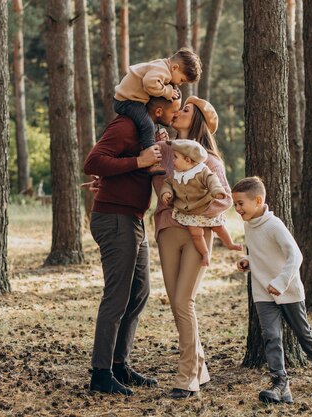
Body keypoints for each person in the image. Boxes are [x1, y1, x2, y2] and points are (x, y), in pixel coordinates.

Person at [83, 93, 182, 396]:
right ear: (160, 109)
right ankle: (101, 374)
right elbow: (93, 161)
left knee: (139, 293)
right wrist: (139, 160)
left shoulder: (147, 132)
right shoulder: (125, 126)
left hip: (133, 218)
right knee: (117, 296)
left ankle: (118, 364)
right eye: (174, 110)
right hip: (114, 218)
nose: (176, 116)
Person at [151, 95, 234, 399]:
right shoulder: (166, 150)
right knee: (176, 303)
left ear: (197, 119)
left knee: (185, 301)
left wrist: (194, 214)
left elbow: (223, 199)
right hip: (165, 231)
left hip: (196, 234)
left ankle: (187, 377)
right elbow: (154, 182)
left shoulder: (209, 161)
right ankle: (200, 366)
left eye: (185, 110)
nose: (178, 112)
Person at [232, 176, 312, 404]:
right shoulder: (249, 225)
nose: (237, 209)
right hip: (262, 291)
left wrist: (280, 282)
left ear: (258, 200)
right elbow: (261, 253)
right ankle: (280, 384)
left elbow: (295, 255)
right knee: (271, 337)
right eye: (235, 204)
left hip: (287, 290)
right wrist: (247, 259)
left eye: (240, 204)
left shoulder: (274, 225)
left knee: (303, 333)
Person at [114, 48, 202, 176]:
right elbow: (149, 83)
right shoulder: (162, 70)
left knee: (151, 122)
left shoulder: (162, 66)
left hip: (132, 100)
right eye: (182, 80)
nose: (180, 84)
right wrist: (167, 91)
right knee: (148, 124)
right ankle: (150, 162)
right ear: (175, 68)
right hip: (126, 101)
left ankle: (150, 148)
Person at [160, 139, 242, 266]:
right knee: (196, 233)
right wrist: (166, 193)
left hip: (204, 207)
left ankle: (229, 244)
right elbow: (167, 184)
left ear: (188, 160)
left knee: (219, 227)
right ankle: (205, 254)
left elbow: (212, 180)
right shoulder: (176, 175)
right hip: (189, 212)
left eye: (175, 157)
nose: (172, 160)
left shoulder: (202, 171)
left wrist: (217, 191)